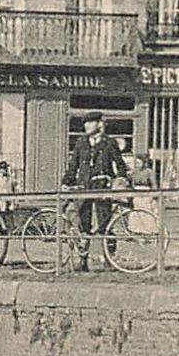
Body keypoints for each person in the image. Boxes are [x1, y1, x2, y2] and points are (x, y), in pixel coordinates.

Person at [62, 112, 128, 271]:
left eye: (90, 123)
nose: (86, 126)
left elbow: (120, 166)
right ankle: (82, 261)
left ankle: (109, 260)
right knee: (84, 224)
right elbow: (73, 166)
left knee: (105, 224)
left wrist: (118, 180)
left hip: (102, 188)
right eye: (85, 123)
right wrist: (66, 182)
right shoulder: (81, 143)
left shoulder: (109, 143)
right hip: (84, 188)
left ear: (99, 124)